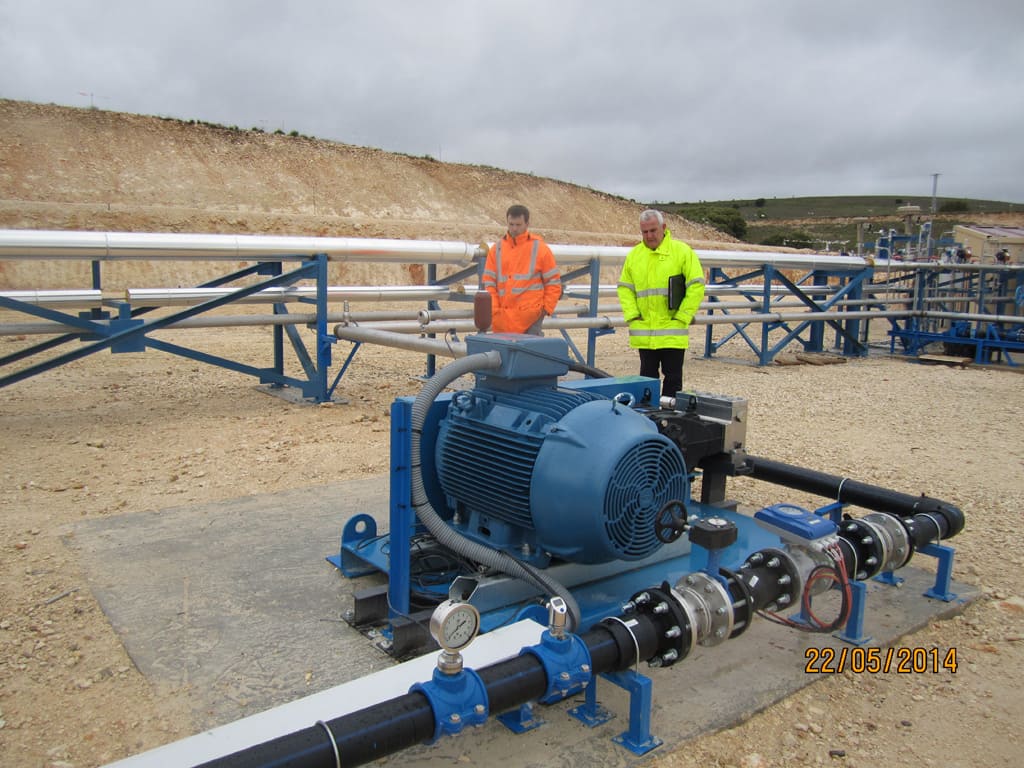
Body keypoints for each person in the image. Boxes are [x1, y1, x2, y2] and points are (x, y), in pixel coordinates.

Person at [618, 209, 706, 399]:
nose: (649, 235)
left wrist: (683, 315)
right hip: (645, 332)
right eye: (644, 232)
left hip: (672, 330)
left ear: (663, 228)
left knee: (673, 380)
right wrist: (632, 314)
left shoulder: (682, 252)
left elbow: (696, 285)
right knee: (646, 381)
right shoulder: (635, 256)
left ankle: (670, 422)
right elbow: (624, 287)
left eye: (653, 230)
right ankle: (648, 419)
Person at [482, 204, 562, 334]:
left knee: (530, 354)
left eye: (518, 225)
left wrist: (545, 310)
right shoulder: (496, 250)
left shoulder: (540, 249)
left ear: (527, 224)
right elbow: (489, 284)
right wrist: (495, 310)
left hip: (530, 320)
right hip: (503, 320)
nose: (514, 228)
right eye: (511, 224)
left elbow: (553, 283)